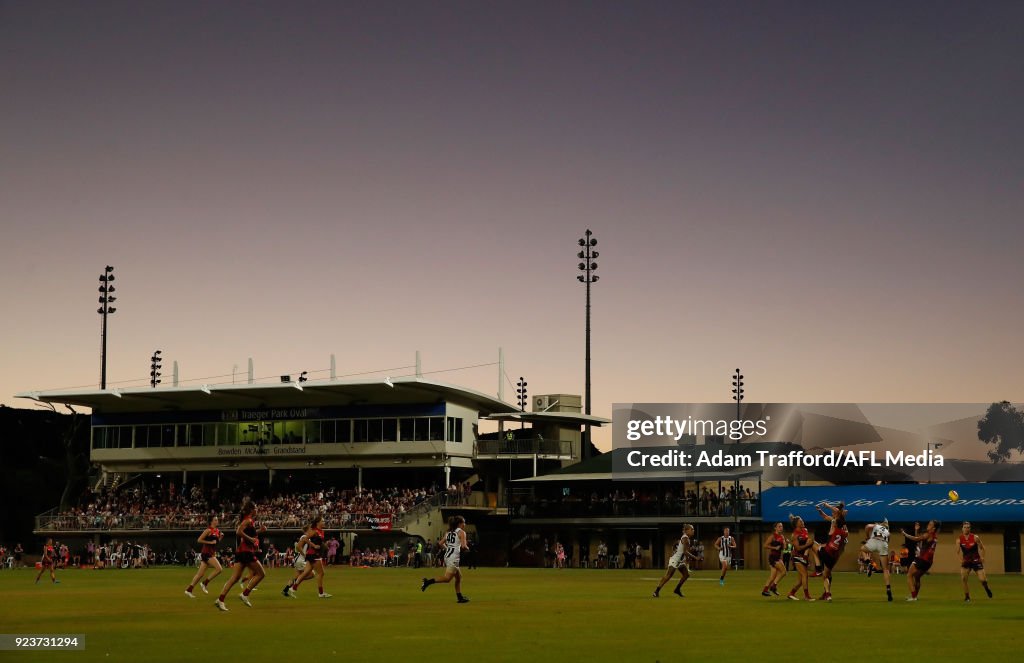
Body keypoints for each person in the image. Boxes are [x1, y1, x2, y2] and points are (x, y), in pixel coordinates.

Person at [215, 501, 267, 611]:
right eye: (256, 508)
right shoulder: (248, 520)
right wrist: (251, 539)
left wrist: (259, 531)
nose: (257, 510)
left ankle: (220, 600)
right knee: (261, 574)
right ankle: (245, 594)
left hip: (241, 552)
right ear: (251, 510)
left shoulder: (249, 521)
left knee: (235, 578)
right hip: (246, 552)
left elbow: (248, 534)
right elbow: (238, 532)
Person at [420, 515, 470, 603]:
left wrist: (448, 549)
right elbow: (463, 546)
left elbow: (440, 543)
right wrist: (468, 548)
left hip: (448, 556)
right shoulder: (462, 532)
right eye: (464, 522)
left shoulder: (448, 532)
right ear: (460, 523)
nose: (464, 524)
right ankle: (428, 582)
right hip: (453, 558)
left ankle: (460, 597)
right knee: (447, 579)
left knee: (458, 578)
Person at [287, 516, 331, 598]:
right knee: (321, 573)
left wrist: (324, 546)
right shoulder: (314, 531)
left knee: (305, 573)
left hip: (313, 554)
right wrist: (314, 545)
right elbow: (305, 539)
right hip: (314, 554)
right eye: (323, 521)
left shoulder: (321, 531)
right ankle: (321, 593)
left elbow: (319, 542)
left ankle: (293, 588)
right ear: (318, 523)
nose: (324, 522)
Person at [813, 501, 848, 602]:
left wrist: (827, 505)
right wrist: (820, 511)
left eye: (834, 512)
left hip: (833, 550)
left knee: (813, 545)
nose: (832, 513)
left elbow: (836, 511)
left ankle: (818, 569)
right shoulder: (836, 521)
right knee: (827, 574)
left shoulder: (839, 520)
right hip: (835, 550)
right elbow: (825, 517)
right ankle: (827, 593)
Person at [653, 525, 696, 598]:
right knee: (668, 576)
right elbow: (685, 552)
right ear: (687, 530)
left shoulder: (686, 538)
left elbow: (679, 546)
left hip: (680, 561)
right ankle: (656, 591)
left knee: (686, 575)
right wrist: (695, 557)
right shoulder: (685, 538)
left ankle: (677, 589)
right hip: (675, 560)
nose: (693, 531)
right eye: (691, 529)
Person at [185, 515, 223, 597]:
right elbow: (199, 540)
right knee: (219, 569)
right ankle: (204, 583)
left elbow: (215, 543)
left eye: (217, 520)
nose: (217, 521)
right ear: (211, 521)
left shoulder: (217, 531)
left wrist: (220, 538)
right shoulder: (208, 530)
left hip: (211, 553)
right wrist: (210, 542)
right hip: (206, 553)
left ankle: (189, 590)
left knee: (200, 574)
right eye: (215, 519)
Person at [902, 519, 939, 602]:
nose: (928, 525)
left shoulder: (928, 534)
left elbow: (916, 539)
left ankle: (913, 597)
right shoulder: (934, 536)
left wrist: (905, 534)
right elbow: (919, 540)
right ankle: (915, 596)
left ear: (933, 528)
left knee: (909, 575)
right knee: (917, 577)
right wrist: (916, 530)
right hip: (928, 562)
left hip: (922, 559)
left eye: (930, 524)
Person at [957, 521, 992, 602]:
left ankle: (986, 588)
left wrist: (982, 557)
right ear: (962, 528)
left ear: (970, 528)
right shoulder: (959, 539)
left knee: (982, 580)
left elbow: (982, 548)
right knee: (964, 579)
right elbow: (957, 552)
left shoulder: (975, 537)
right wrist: (960, 560)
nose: (966, 529)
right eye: (965, 527)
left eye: (968, 527)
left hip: (976, 561)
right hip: (966, 561)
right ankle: (967, 597)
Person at [861, 518, 893, 601]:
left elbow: (867, 526)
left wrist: (867, 537)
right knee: (885, 570)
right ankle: (888, 588)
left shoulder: (877, 525)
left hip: (874, 541)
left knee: (862, 549)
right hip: (883, 544)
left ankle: (868, 563)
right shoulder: (888, 532)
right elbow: (888, 541)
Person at [786, 516, 815, 601]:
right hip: (797, 557)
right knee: (805, 575)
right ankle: (807, 596)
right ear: (796, 524)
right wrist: (808, 544)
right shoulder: (794, 535)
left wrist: (806, 555)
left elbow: (808, 543)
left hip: (804, 557)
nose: (802, 522)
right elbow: (798, 548)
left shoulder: (805, 530)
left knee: (800, 580)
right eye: (800, 521)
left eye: (802, 520)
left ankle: (791, 593)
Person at [762, 522, 787, 596]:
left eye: (781, 526)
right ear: (775, 528)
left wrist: (785, 543)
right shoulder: (772, 536)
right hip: (773, 557)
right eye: (779, 526)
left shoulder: (782, 536)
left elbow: (784, 548)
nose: (781, 528)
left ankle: (765, 590)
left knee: (772, 576)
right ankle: (773, 586)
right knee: (783, 572)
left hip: (778, 557)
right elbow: (765, 545)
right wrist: (774, 548)